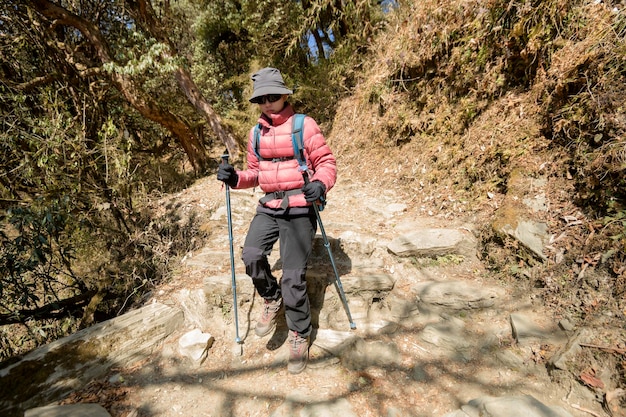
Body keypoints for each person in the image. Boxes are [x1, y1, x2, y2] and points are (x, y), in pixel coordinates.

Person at [217, 67, 337, 374]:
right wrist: (234, 178)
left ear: (285, 95)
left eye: (273, 96)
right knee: (252, 255)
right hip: (269, 205)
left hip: (299, 206)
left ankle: (300, 332)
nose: (268, 103)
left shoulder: (304, 126)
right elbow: (254, 174)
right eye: (262, 99)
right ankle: (271, 297)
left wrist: (320, 184)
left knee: (293, 277)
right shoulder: (256, 133)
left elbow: (326, 162)